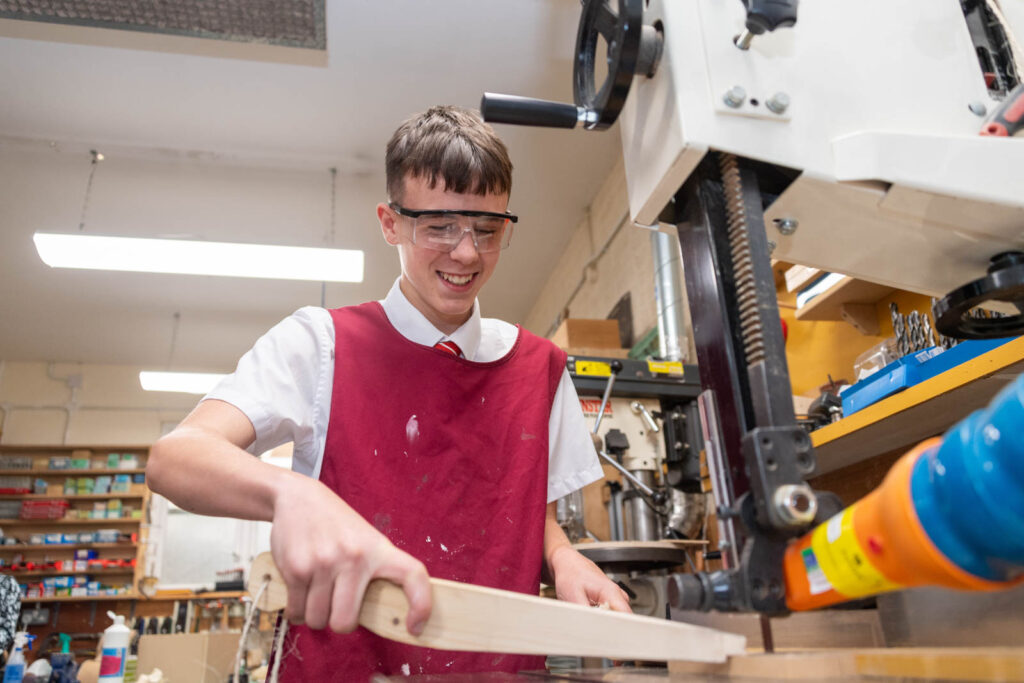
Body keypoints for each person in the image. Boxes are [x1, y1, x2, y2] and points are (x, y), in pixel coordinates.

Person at [147, 105, 630, 680]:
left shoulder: (538, 366)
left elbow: (529, 515)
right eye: (440, 226)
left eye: (487, 229)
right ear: (390, 222)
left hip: (498, 669)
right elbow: (175, 459)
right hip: (343, 665)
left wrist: (563, 556)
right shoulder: (321, 343)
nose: (467, 252)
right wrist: (292, 495)